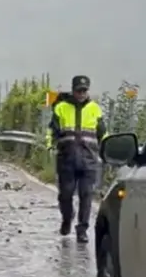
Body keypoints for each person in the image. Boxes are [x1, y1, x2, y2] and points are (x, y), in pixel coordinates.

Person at [46, 75, 107, 243]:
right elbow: (52, 131)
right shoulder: (61, 108)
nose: (81, 93)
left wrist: (107, 149)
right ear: (73, 90)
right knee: (65, 195)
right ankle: (67, 218)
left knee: (86, 195)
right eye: (78, 90)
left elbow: (103, 133)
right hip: (67, 159)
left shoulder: (95, 109)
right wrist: (50, 144)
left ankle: (82, 229)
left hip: (89, 160)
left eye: (84, 90)